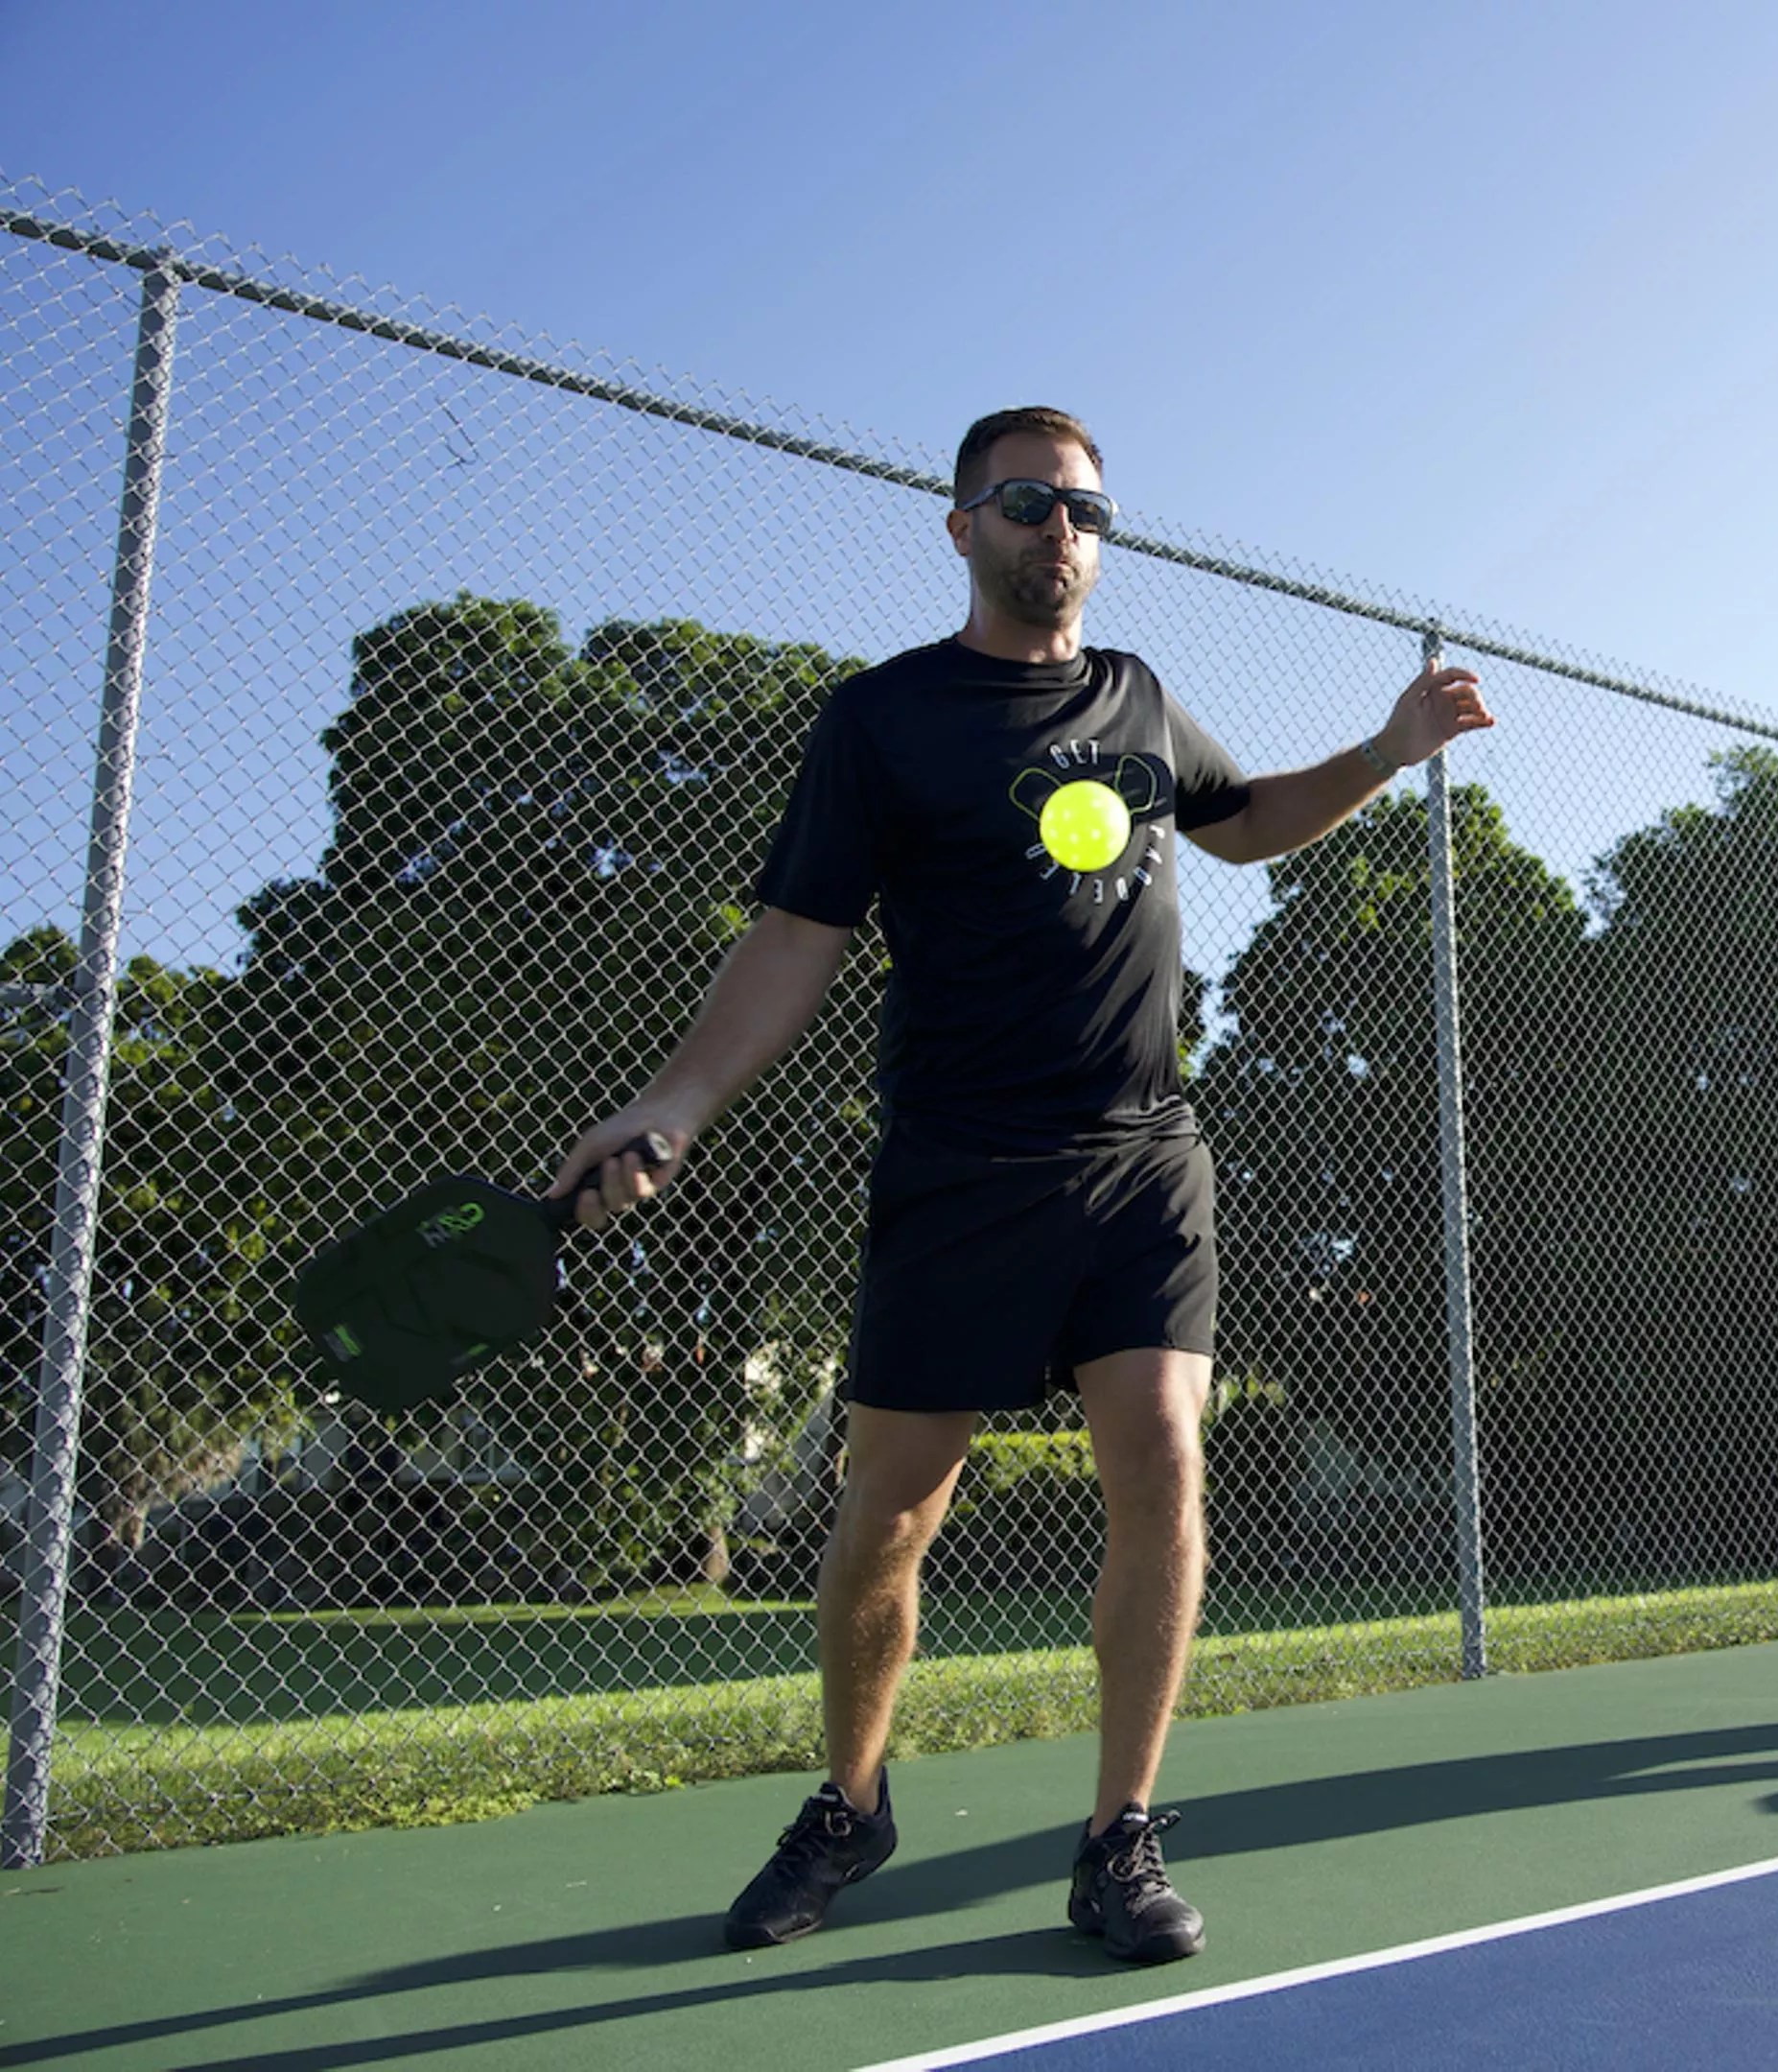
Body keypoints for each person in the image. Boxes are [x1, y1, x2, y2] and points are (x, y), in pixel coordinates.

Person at [547, 405, 1495, 1962]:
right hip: (957, 1168)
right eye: (1029, 505)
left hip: (1143, 1157)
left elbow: (1247, 827)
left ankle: (1120, 1840)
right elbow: (796, 934)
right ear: (963, 528)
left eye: (1087, 512)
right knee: (887, 1516)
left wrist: (1390, 752)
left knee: (1163, 1462)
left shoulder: (1139, 701)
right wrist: (678, 1101)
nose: (1064, 532)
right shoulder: (882, 722)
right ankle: (851, 1804)